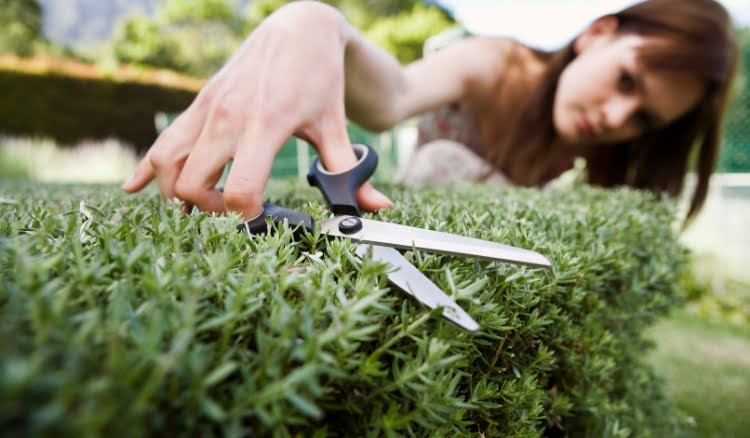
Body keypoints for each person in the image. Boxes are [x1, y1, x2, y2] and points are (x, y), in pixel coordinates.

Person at [122, 0, 738, 223]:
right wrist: (314, 23)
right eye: (626, 79)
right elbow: (390, 97)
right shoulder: (493, 64)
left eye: (644, 119)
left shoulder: (602, 144)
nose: (613, 116)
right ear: (598, 32)